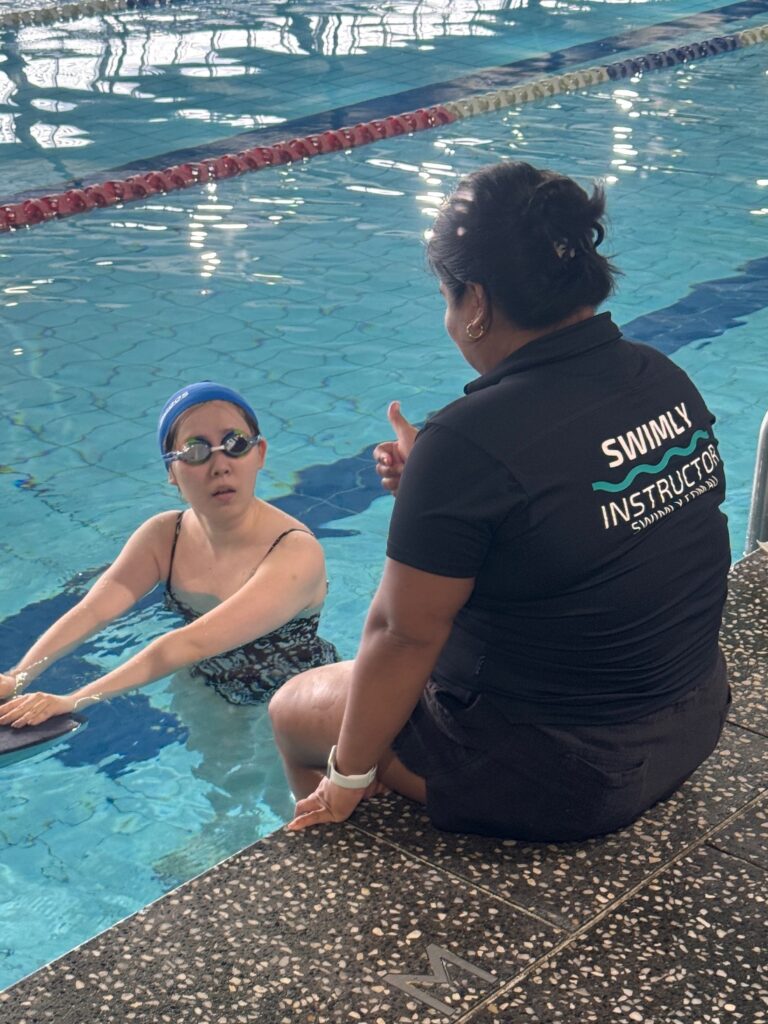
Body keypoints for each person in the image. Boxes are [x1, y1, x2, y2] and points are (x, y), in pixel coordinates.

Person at [269, 160, 731, 841]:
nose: (450, 318)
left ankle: (342, 862)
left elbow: (400, 634)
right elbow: (569, 519)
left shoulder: (467, 441)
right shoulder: (658, 374)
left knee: (292, 709)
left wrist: (349, 772)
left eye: (448, 297)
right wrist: (429, 499)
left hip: (575, 776)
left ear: (478, 303)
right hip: (694, 718)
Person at [0, 381, 339, 728]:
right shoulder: (164, 537)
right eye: (195, 451)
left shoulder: (294, 551)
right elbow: (95, 609)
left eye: (235, 444)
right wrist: (19, 676)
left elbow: (189, 643)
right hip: (207, 686)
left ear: (260, 453)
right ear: (171, 472)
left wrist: (72, 700)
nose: (220, 465)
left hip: (297, 706)